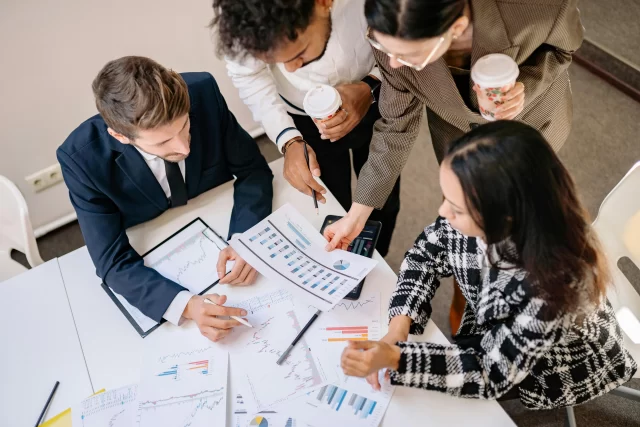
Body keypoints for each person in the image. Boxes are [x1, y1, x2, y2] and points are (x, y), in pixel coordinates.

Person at [323, 0, 584, 331]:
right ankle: (468, 293)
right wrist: (357, 214)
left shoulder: (538, 7)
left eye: (407, 55)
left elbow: (563, 49)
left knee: (527, 220)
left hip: (532, 127)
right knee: (469, 223)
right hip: (457, 135)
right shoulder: (393, 35)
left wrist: (525, 86)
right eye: (384, 48)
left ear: (456, 29)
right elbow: (395, 126)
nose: (391, 62)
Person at [340, 121, 637, 409]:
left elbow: (489, 372)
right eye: (447, 198)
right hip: (495, 323)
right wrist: (399, 326)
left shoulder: (554, 287)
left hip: (551, 366)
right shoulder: (498, 213)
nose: (443, 212)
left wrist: (396, 358)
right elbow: (425, 252)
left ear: (503, 216)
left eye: (456, 209)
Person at [57, 56, 273, 342]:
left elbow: (253, 171)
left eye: (185, 127)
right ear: (120, 137)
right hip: (153, 239)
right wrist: (186, 305)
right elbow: (111, 261)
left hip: (219, 214)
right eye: (162, 143)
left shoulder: (204, 91)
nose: (183, 147)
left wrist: (246, 238)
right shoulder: (81, 159)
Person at [211, 0, 400, 256]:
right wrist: (287, 139)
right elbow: (248, 75)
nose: (290, 69)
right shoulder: (239, 12)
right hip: (303, 116)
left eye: (298, 54)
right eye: (275, 62)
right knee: (330, 203)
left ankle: (379, 259)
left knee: (383, 198)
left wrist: (372, 83)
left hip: (382, 89)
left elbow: (405, 31)